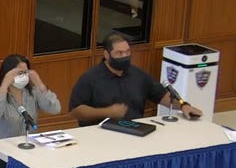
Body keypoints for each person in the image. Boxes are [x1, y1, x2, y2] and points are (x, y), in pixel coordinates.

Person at [69, 32, 203, 126]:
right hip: (101, 134)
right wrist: (106, 112)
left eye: (127, 52)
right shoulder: (90, 79)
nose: (125, 56)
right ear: (106, 55)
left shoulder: (139, 75)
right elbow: (75, 111)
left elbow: (161, 96)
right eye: (119, 53)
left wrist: (184, 106)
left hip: (135, 130)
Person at [0, 54, 61, 168]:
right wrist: (4, 85)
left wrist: (40, 84)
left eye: (25, 72)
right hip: (1, 152)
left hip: (28, 150)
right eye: (19, 73)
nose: (23, 76)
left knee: (52, 163)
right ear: (7, 74)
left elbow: (55, 109)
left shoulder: (33, 93)